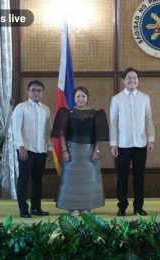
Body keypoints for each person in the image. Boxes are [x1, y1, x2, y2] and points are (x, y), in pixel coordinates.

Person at [51, 86, 109, 217]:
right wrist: (65, 150)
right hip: (72, 151)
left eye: (83, 96)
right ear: (74, 98)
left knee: (89, 181)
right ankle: (72, 208)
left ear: (87, 97)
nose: (80, 99)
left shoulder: (96, 114)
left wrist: (97, 151)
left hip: (89, 151)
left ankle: (86, 207)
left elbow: (98, 135)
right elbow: (61, 133)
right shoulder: (67, 113)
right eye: (78, 96)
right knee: (72, 181)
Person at [109, 67, 155, 216]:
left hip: (141, 144)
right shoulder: (116, 99)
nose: (132, 80)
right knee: (122, 177)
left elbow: (148, 120)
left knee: (139, 177)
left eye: (135, 78)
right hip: (122, 144)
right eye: (129, 78)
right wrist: (113, 143)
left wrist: (151, 139)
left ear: (138, 80)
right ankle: (122, 206)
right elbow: (113, 122)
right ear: (123, 81)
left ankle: (138, 207)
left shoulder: (144, 97)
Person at [12, 80, 52, 218]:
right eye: (33, 90)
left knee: (37, 180)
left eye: (39, 90)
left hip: (41, 150)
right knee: (23, 179)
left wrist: (49, 149)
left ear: (42, 93)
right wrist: (20, 146)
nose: (36, 93)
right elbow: (15, 129)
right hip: (26, 149)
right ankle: (23, 209)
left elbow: (48, 131)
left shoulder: (46, 110)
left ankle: (36, 208)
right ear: (28, 92)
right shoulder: (21, 108)